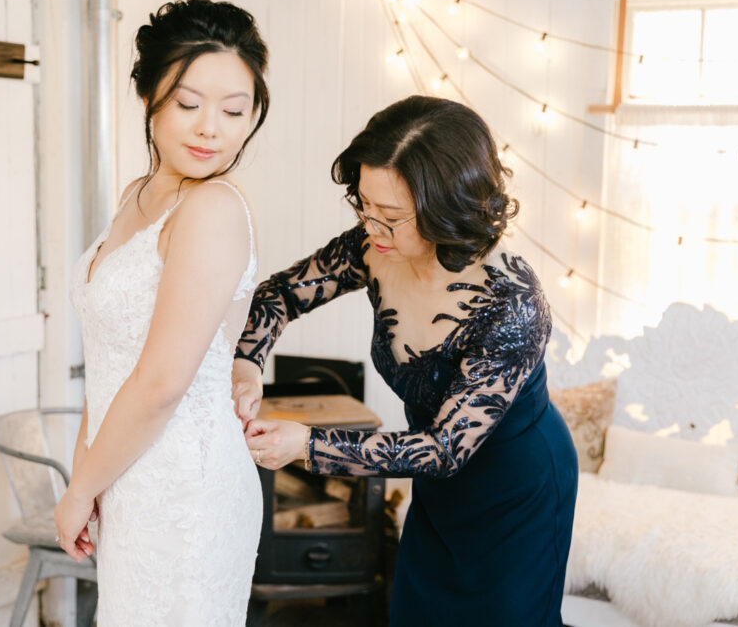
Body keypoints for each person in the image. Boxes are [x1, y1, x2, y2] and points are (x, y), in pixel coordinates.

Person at [233, 96, 579, 626]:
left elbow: (444, 449)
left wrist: (306, 444)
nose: (372, 228)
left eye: (391, 217)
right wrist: (248, 364)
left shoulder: (512, 304)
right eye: (364, 207)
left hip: (515, 490)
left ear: (448, 209)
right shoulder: (375, 247)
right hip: (437, 485)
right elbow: (280, 296)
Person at [55, 0, 269, 626]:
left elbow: (160, 382)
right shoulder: (138, 196)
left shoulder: (213, 209)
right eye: (188, 103)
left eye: (235, 110)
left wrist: (78, 488)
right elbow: (108, 354)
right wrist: (86, 473)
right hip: (126, 471)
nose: (212, 129)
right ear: (149, 96)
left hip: (186, 485)